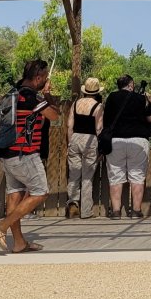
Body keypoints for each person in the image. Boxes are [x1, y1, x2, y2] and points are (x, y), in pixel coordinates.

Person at [0, 59, 62, 253]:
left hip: (9, 153)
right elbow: (55, 115)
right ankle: (2, 226)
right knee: (41, 192)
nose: (45, 81)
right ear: (38, 77)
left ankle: (19, 242)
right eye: (44, 77)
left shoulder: (14, 92)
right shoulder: (31, 97)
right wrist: (47, 95)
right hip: (25, 154)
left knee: (15, 194)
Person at [103, 74, 151, 219]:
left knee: (115, 176)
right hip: (138, 141)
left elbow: (106, 118)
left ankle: (116, 211)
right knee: (137, 176)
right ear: (131, 84)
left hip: (116, 140)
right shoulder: (141, 98)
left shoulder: (111, 97)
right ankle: (136, 210)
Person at [66, 77, 104, 219]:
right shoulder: (98, 106)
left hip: (75, 138)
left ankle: (73, 203)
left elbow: (69, 125)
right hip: (90, 140)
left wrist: (70, 143)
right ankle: (86, 211)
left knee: (74, 174)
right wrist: (100, 147)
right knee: (87, 177)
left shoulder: (76, 104)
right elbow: (99, 128)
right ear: (97, 92)